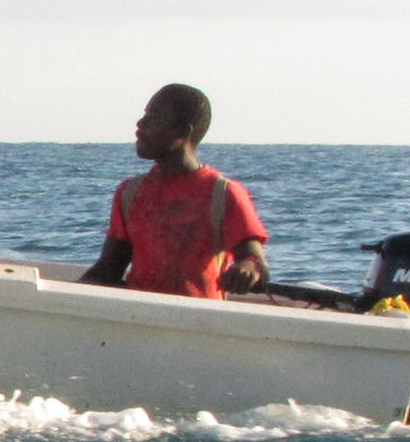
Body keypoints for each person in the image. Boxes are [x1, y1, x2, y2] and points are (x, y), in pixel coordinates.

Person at [79, 83, 269, 299]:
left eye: (154, 116)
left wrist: (246, 269)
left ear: (182, 131)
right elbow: (108, 270)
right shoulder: (130, 192)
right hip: (140, 320)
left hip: (199, 322)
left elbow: (255, 261)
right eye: (144, 115)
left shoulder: (224, 194)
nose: (140, 123)